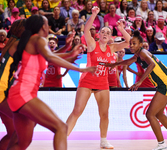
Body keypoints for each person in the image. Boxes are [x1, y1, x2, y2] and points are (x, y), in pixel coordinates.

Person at [7, 15, 96, 150]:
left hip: (17, 95)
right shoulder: (39, 39)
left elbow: (50, 57)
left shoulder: (32, 42)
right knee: (61, 127)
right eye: (48, 25)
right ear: (43, 27)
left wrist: (69, 51)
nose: (49, 27)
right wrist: (80, 69)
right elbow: (50, 56)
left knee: (22, 144)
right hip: (24, 94)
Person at [106, 30, 167, 150]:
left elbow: (152, 64)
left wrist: (140, 81)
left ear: (140, 45)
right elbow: (128, 61)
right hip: (166, 82)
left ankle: (161, 144)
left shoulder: (142, 53)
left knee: (150, 114)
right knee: (158, 113)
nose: (131, 46)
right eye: (130, 43)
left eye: (134, 43)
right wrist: (114, 64)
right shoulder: (138, 55)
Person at [66, 6, 130, 149]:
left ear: (111, 37)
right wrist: (94, 14)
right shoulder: (92, 44)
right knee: (77, 111)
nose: (105, 33)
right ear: (99, 35)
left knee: (105, 114)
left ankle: (103, 140)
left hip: (102, 83)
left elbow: (129, 42)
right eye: (103, 31)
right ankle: (62, 138)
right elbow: (86, 30)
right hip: (87, 81)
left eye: (108, 32)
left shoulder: (112, 48)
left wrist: (121, 28)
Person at [0, 19, 26, 150]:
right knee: (25, 124)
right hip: (1, 92)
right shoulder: (17, 44)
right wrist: (68, 51)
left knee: (12, 133)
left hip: (3, 93)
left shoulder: (12, 43)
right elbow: (46, 56)